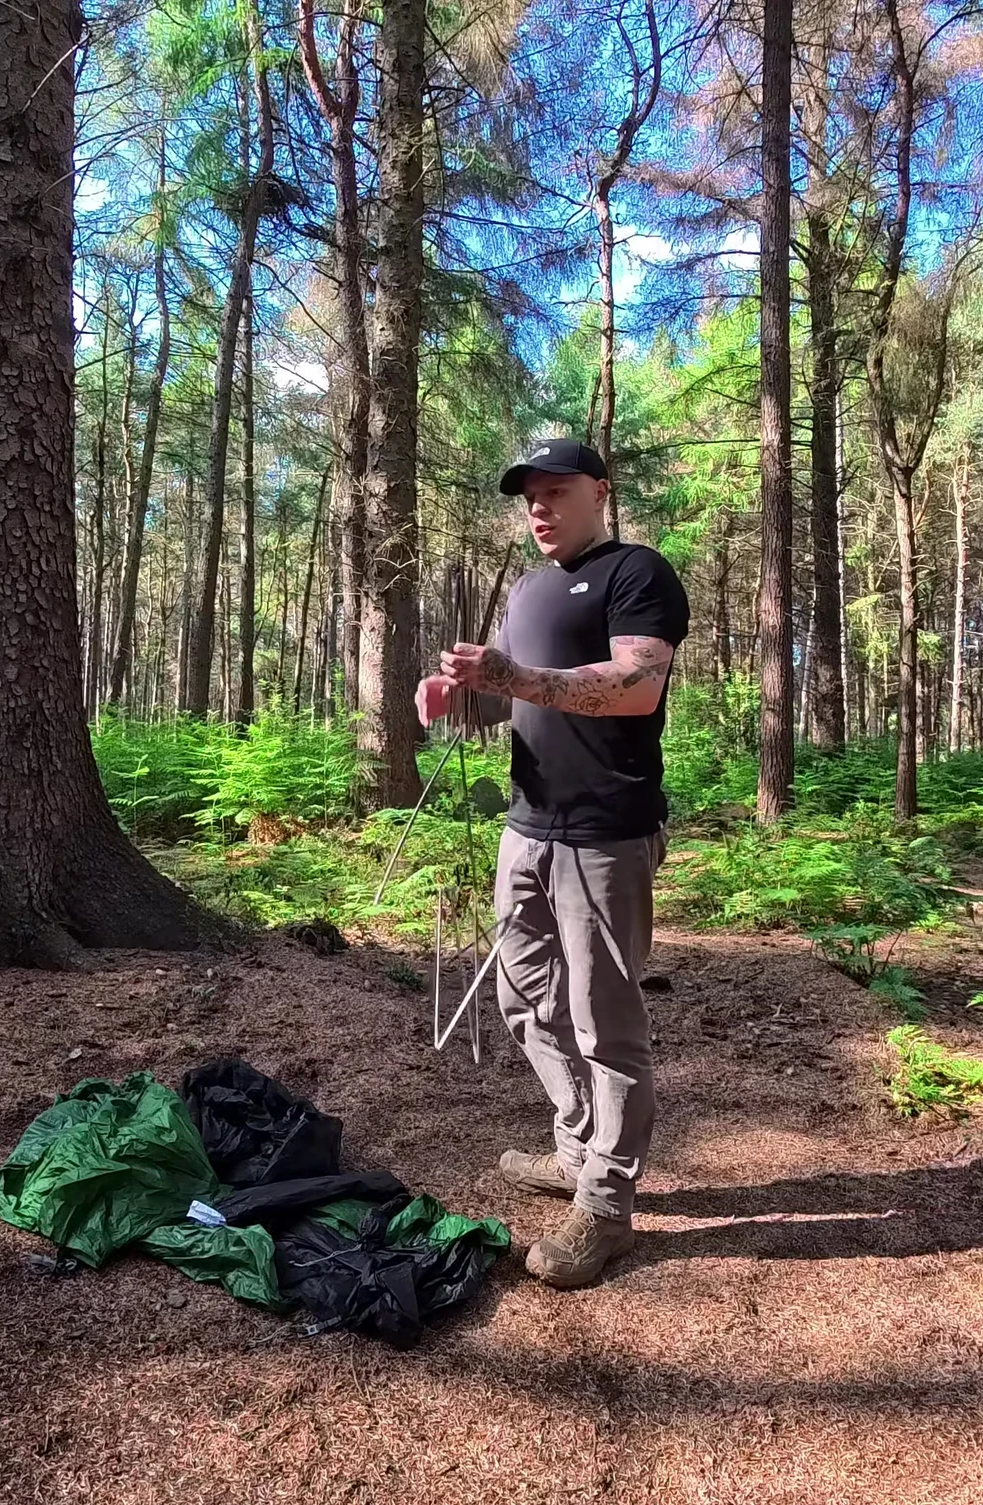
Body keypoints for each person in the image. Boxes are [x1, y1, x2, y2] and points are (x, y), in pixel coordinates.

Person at [416, 437, 688, 1289]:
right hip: (527, 826)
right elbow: (522, 693)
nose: (539, 507)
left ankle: (607, 1204)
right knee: (522, 994)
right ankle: (577, 1147)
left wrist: (518, 676)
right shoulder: (529, 586)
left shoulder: (636, 572)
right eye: (529, 495)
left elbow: (636, 684)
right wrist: (464, 695)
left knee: (605, 1017)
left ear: (599, 492)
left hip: (606, 832)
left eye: (557, 491)